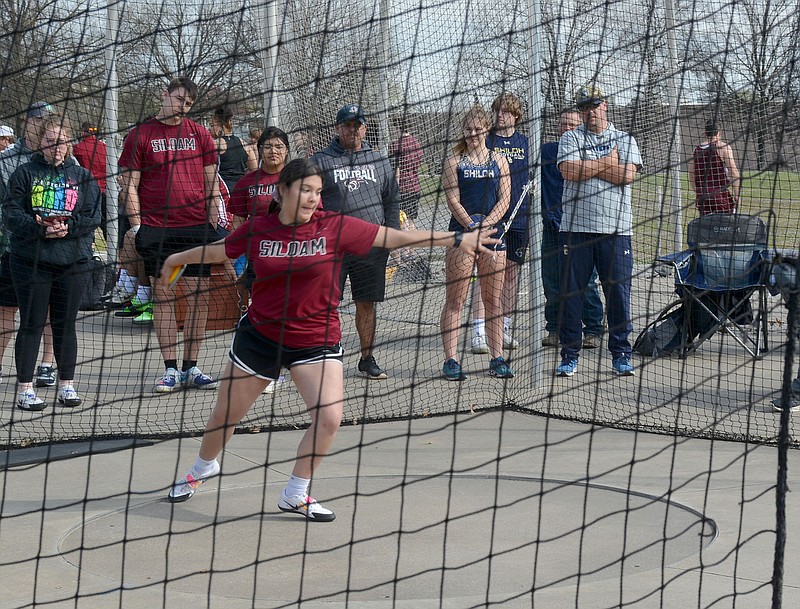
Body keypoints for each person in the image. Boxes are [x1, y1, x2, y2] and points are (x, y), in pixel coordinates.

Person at [165, 158, 500, 519]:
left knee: (329, 418)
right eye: (305, 190)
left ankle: (296, 492)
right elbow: (219, 251)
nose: (312, 198)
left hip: (316, 338)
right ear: (283, 191)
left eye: (318, 192)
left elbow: (394, 236)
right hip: (260, 337)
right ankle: (202, 468)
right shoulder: (259, 230)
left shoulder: (334, 227)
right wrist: (176, 259)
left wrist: (456, 238)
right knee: (224, 417)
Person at [119, 76, 221, 393]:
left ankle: (191, 367)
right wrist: (136, 227)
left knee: (199, 298)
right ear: (164, 95)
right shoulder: (140, 135)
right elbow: (128, 184)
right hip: (157, 229)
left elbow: (211, 181)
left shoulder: (200, 134)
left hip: (195, 227)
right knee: (164, 297)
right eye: (178, 99)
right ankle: (170, 369)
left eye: (188, 103)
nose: (182, 107)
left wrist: (214, 213)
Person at [4, 115, 101, 410]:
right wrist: (39, 226)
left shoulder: (83, 177)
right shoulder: (24, 173)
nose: (55, 147)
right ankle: (25, 389)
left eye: (61, 142)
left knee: (65, 325)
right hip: (31, 261)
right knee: (31, 325)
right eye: (49, 141)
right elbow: (10, 214)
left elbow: (93, 217)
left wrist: (68, 227)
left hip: (72, 261)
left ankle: (67, 385)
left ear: (69, 142)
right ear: (40, 143)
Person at [556, 84, 641, 378]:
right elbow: (568, 171)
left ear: (604, 104)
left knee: (618, 294)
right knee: (573, 295)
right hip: (576, 229)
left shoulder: (625, 138)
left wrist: (588, 167)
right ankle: (569, 355)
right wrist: (606, 163)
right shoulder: (570, 137)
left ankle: (621, 354)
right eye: (583, 108)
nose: (589, 112)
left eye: (593, 105)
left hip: (616, 231)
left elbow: (627, 175)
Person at [311, 104, 400, 380]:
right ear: (337, 128)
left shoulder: (379, 160)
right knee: (327, 304)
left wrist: (391, 235)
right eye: (347, 125)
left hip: (370, 244)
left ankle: (367, 358)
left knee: (366, 303)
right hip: (332, 245)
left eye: (357, 125)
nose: (352, 129)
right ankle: (326, 355)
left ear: (364, 127)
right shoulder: (321, 160)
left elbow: (391, 200)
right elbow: (309, 199)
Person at [440, 105, 513, 381]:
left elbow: (504, 200)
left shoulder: (499, 160)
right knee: (455, 301)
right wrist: (471, 226)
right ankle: (451, 360)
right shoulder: (454, 162)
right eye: (468, 129)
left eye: (477, 129)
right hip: (462, 236)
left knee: (493, 301)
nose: (472, 134)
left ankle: (497, 358)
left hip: (493, 236)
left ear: (486, 129)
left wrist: (486, 225)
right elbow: (452, 200)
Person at [228, 125, 290, 393]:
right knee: (258, 314)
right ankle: (263, 368)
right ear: (259, 149)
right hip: (258, 258)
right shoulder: (247, 182)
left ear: (286, 150)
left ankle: (283, 367)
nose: (273, 151)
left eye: (278, 146)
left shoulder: (296, 178)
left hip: (291, 257)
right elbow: (238, 221)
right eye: (268, 146)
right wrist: (235, 253)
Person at [0, 101, 57, 387]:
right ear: (27, 120)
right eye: (38, 120)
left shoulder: (62, 156)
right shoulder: (7, 158)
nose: (42, 124)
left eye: (47, 119)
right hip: (13, 245)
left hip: (50, 248)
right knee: (5, 308)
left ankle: (46, 364)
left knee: (45, 310)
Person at [540, 108, 605, 349]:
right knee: (552, 280)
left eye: (571, 124)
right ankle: (555, 328)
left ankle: (594, 328)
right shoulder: (548, 151)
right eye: (562, 124)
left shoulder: (589, 152)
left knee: (586, 281)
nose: (566, 128)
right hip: (552, 225)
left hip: (581, 225)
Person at [689, 120, 740, 216]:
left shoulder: (696, 150)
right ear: (719, 133)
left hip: (703, 197)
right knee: (727, 226)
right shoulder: (723, 147)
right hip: (720, 197)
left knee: (707, 228)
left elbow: (691, 173)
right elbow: (733, 171)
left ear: (705, 133)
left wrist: (697, 190)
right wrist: (737, 194)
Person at [210, 104, 258, 194]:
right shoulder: (245, 145)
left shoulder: (216, 144)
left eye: (212, 125)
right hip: (241, 190)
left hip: (222, 191)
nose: (209, 129)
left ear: (218, 124)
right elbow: (254, 170)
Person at [72, 122, 108, 238]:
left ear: (83, 132)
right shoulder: (104, 147)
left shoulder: (78, 148)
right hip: (104, 190)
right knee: (107, 225)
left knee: (87, 223)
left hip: (86, 191)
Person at [389, 118, 423, 231]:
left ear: (397, 128)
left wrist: (395, 189)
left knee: (401, 220)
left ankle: (406, 248)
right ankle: (411, 248)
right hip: (415, 186)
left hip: (403, 187)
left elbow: (396, 170)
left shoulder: (395, 145)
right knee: (410, 219)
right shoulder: (417, 143)